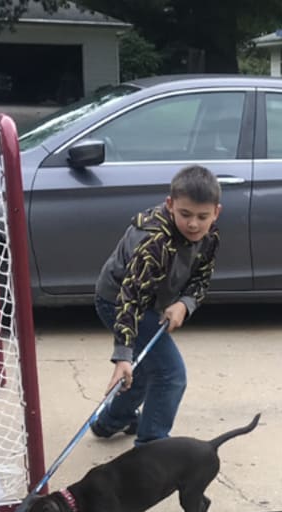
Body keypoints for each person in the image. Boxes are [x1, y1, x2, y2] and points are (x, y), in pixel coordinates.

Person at [92, 164, 222, 445]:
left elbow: (201, 277)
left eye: (203, 216)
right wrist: (123, 355)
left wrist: (185, 303)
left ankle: (110, 422)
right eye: (185, 214)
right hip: (118, 302)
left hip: (152, 303)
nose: (193, 224)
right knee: (169, 374)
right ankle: (151, 449)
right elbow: (130, 299)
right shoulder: (153, 241)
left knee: (144, 371)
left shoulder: (209, 236)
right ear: (170, 204)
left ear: (216, 212)